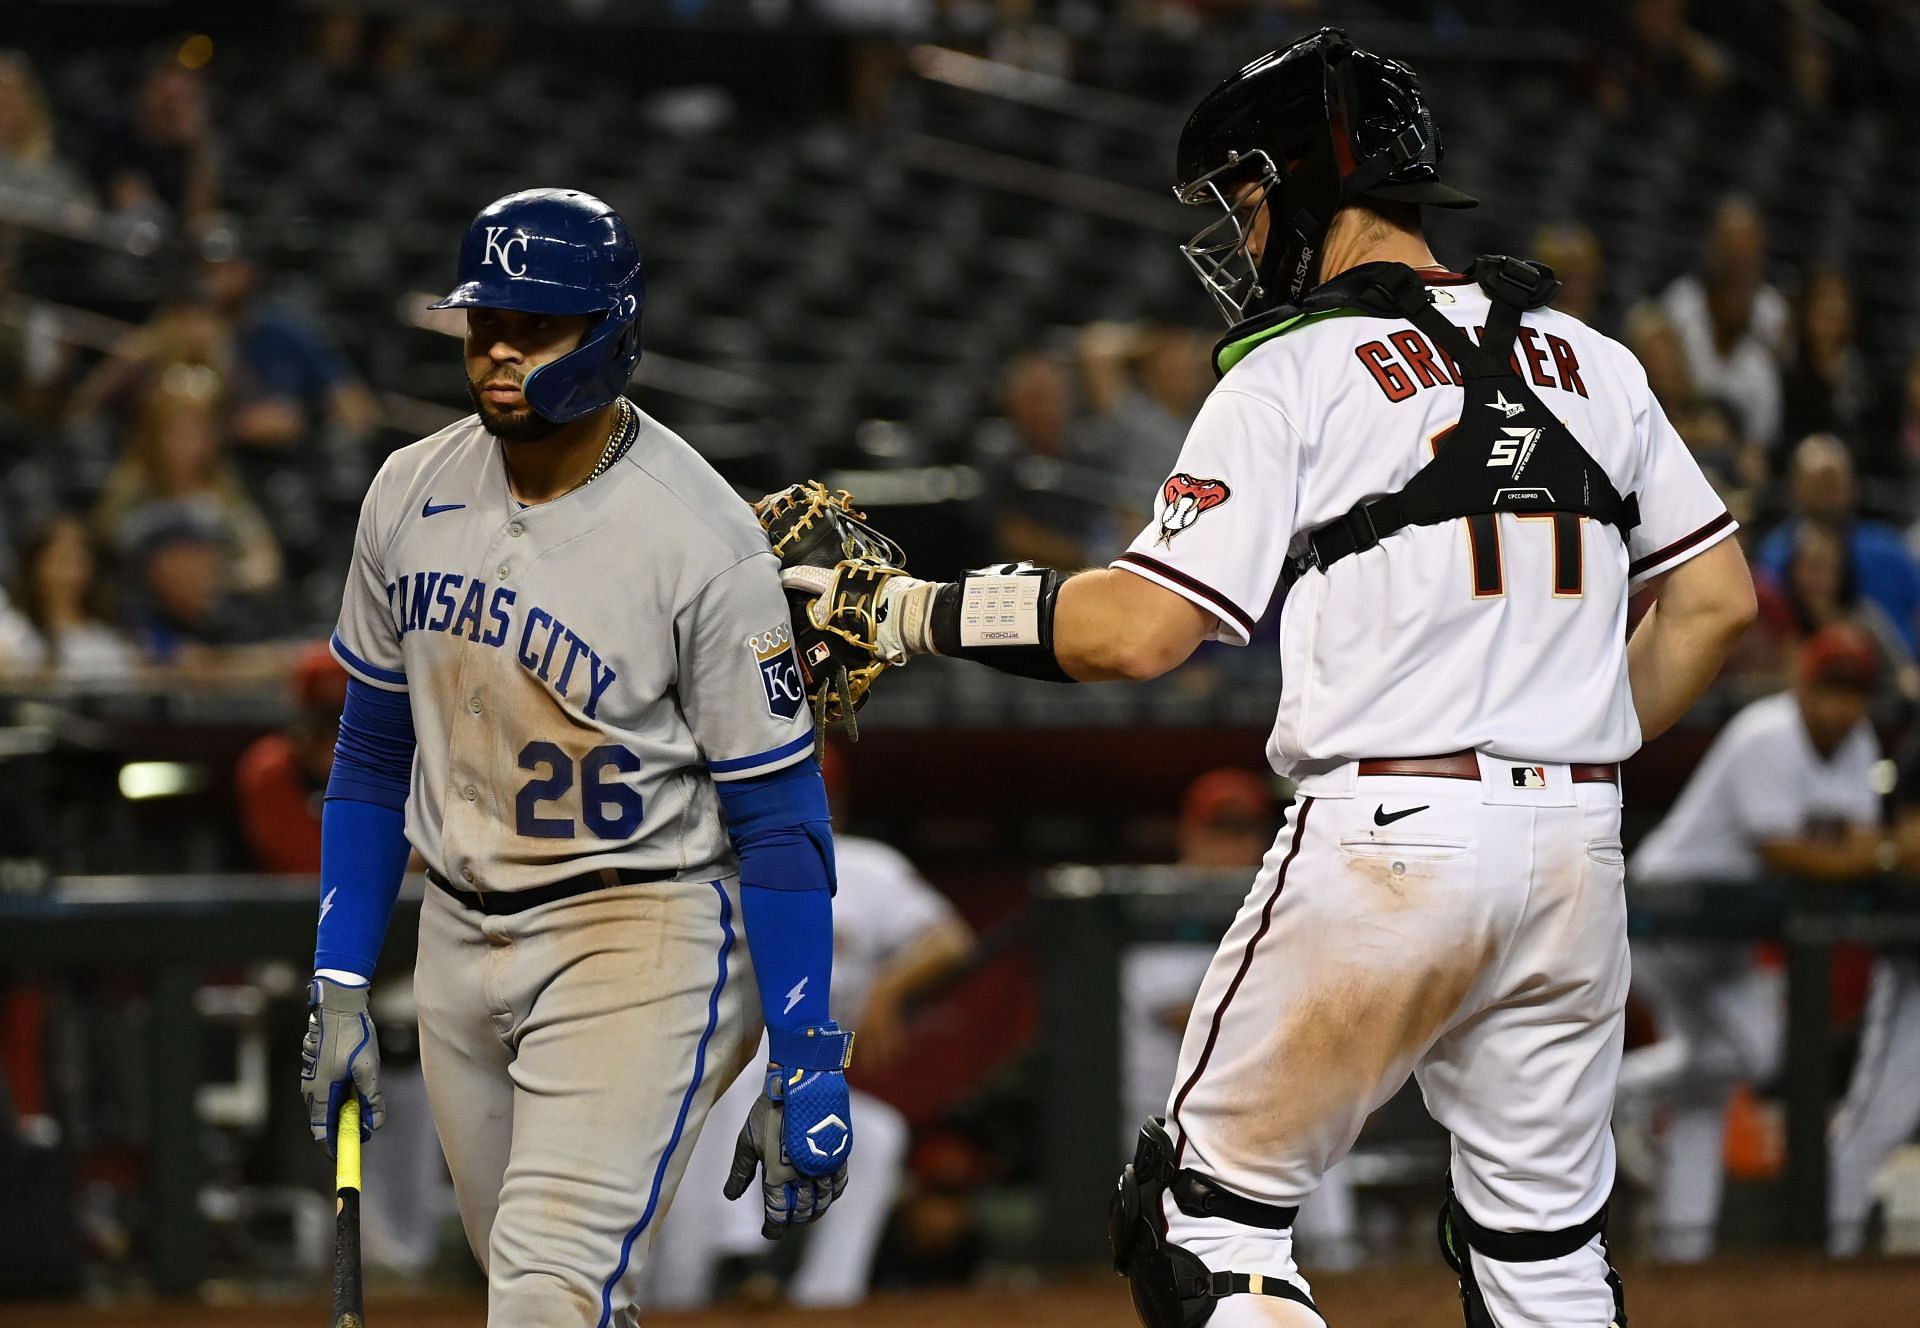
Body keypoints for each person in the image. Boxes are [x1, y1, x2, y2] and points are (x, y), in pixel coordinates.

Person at [775, 29, 1756, 1327]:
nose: (1241, 235)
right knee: (1544, 1256)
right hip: (1576, 848)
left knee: (1201, 1220)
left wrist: (904, 610)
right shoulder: (1592, 358)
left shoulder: (1294, 364)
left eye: (1245, 198)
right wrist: (1572, 739)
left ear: (1303, 181)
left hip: (1390, 839)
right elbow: (1717, 604)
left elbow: (1138, 633)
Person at [296, 189, 855, 1327]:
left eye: (535, 327)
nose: (499, 350)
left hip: (634, 933)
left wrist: (804, 1045)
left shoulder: (699, 536)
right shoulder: (408, 490)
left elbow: (781, 812)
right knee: (551, 1293)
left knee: (547, 1291)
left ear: (610, 330)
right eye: (483, 322)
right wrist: (344, 974)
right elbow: (367, 754)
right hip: (456, 933)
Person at [1620, 624, 1920, 1260]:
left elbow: (1858, 846)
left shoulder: (1860, 742)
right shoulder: (1766, 732)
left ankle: (1683, 1244)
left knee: (1716, 1082)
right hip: (1670, 913)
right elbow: (1787, 851)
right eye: (1829, 688)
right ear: (1802, 685)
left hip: (1731, 932)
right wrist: (1883, 853)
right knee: (1752, 1054)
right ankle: (1612, 1095)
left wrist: (1870, 852)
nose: (1841, 706)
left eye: (1854, 692)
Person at [649, 744, 976, 1310]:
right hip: (695, 1082)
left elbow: (950, 939)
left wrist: (887, 989)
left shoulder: (865, 867)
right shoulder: (710, 860)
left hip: (795, 1080)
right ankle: (737, 1253)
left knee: (875, 1136)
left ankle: (826, 1300)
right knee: (679, 1284)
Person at [195, 217, 379, 452]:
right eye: (209, 272)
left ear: (250, 271)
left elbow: (353, 402)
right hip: (212, 461)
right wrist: (239, 426)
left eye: (230, 268)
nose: (219, 281)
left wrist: (311, 423)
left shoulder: (284, 329)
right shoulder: (180, 331)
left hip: (289, 461)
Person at [93, 375, 283, 596]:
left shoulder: (224, 497)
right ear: (153, 435)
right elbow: (103, 554)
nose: (187, 443)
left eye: (198, 432)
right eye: (175, 431)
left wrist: (212, 580)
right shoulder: (128, 491)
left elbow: (263, 560)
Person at [1755, 434, 1920, 653]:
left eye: (1834, 480)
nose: (1827, 492)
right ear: (1795, 486)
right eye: (1819, 481)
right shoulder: (1775, 555)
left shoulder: (1887, 547)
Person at [1660, 196, 1787, 449]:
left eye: (1746, 245)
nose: (1737, 257)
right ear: (1712, 245)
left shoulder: (1773, 313)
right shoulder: (1680, 304)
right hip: (1683, 436)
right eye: (1730, 244)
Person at [88, 48, 218, 229]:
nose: (171, 108)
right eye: (166, 98)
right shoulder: (115, 129)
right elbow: (100, 188)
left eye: (181, 100)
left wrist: (197, 150)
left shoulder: (193, 147)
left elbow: (197, 217)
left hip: (169, 239)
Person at [2, 513, 136, 683]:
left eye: (77, 563)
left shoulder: (111, 637)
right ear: (33, 566)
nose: (67, 575)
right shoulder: (11, 628)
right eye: (57, 561)